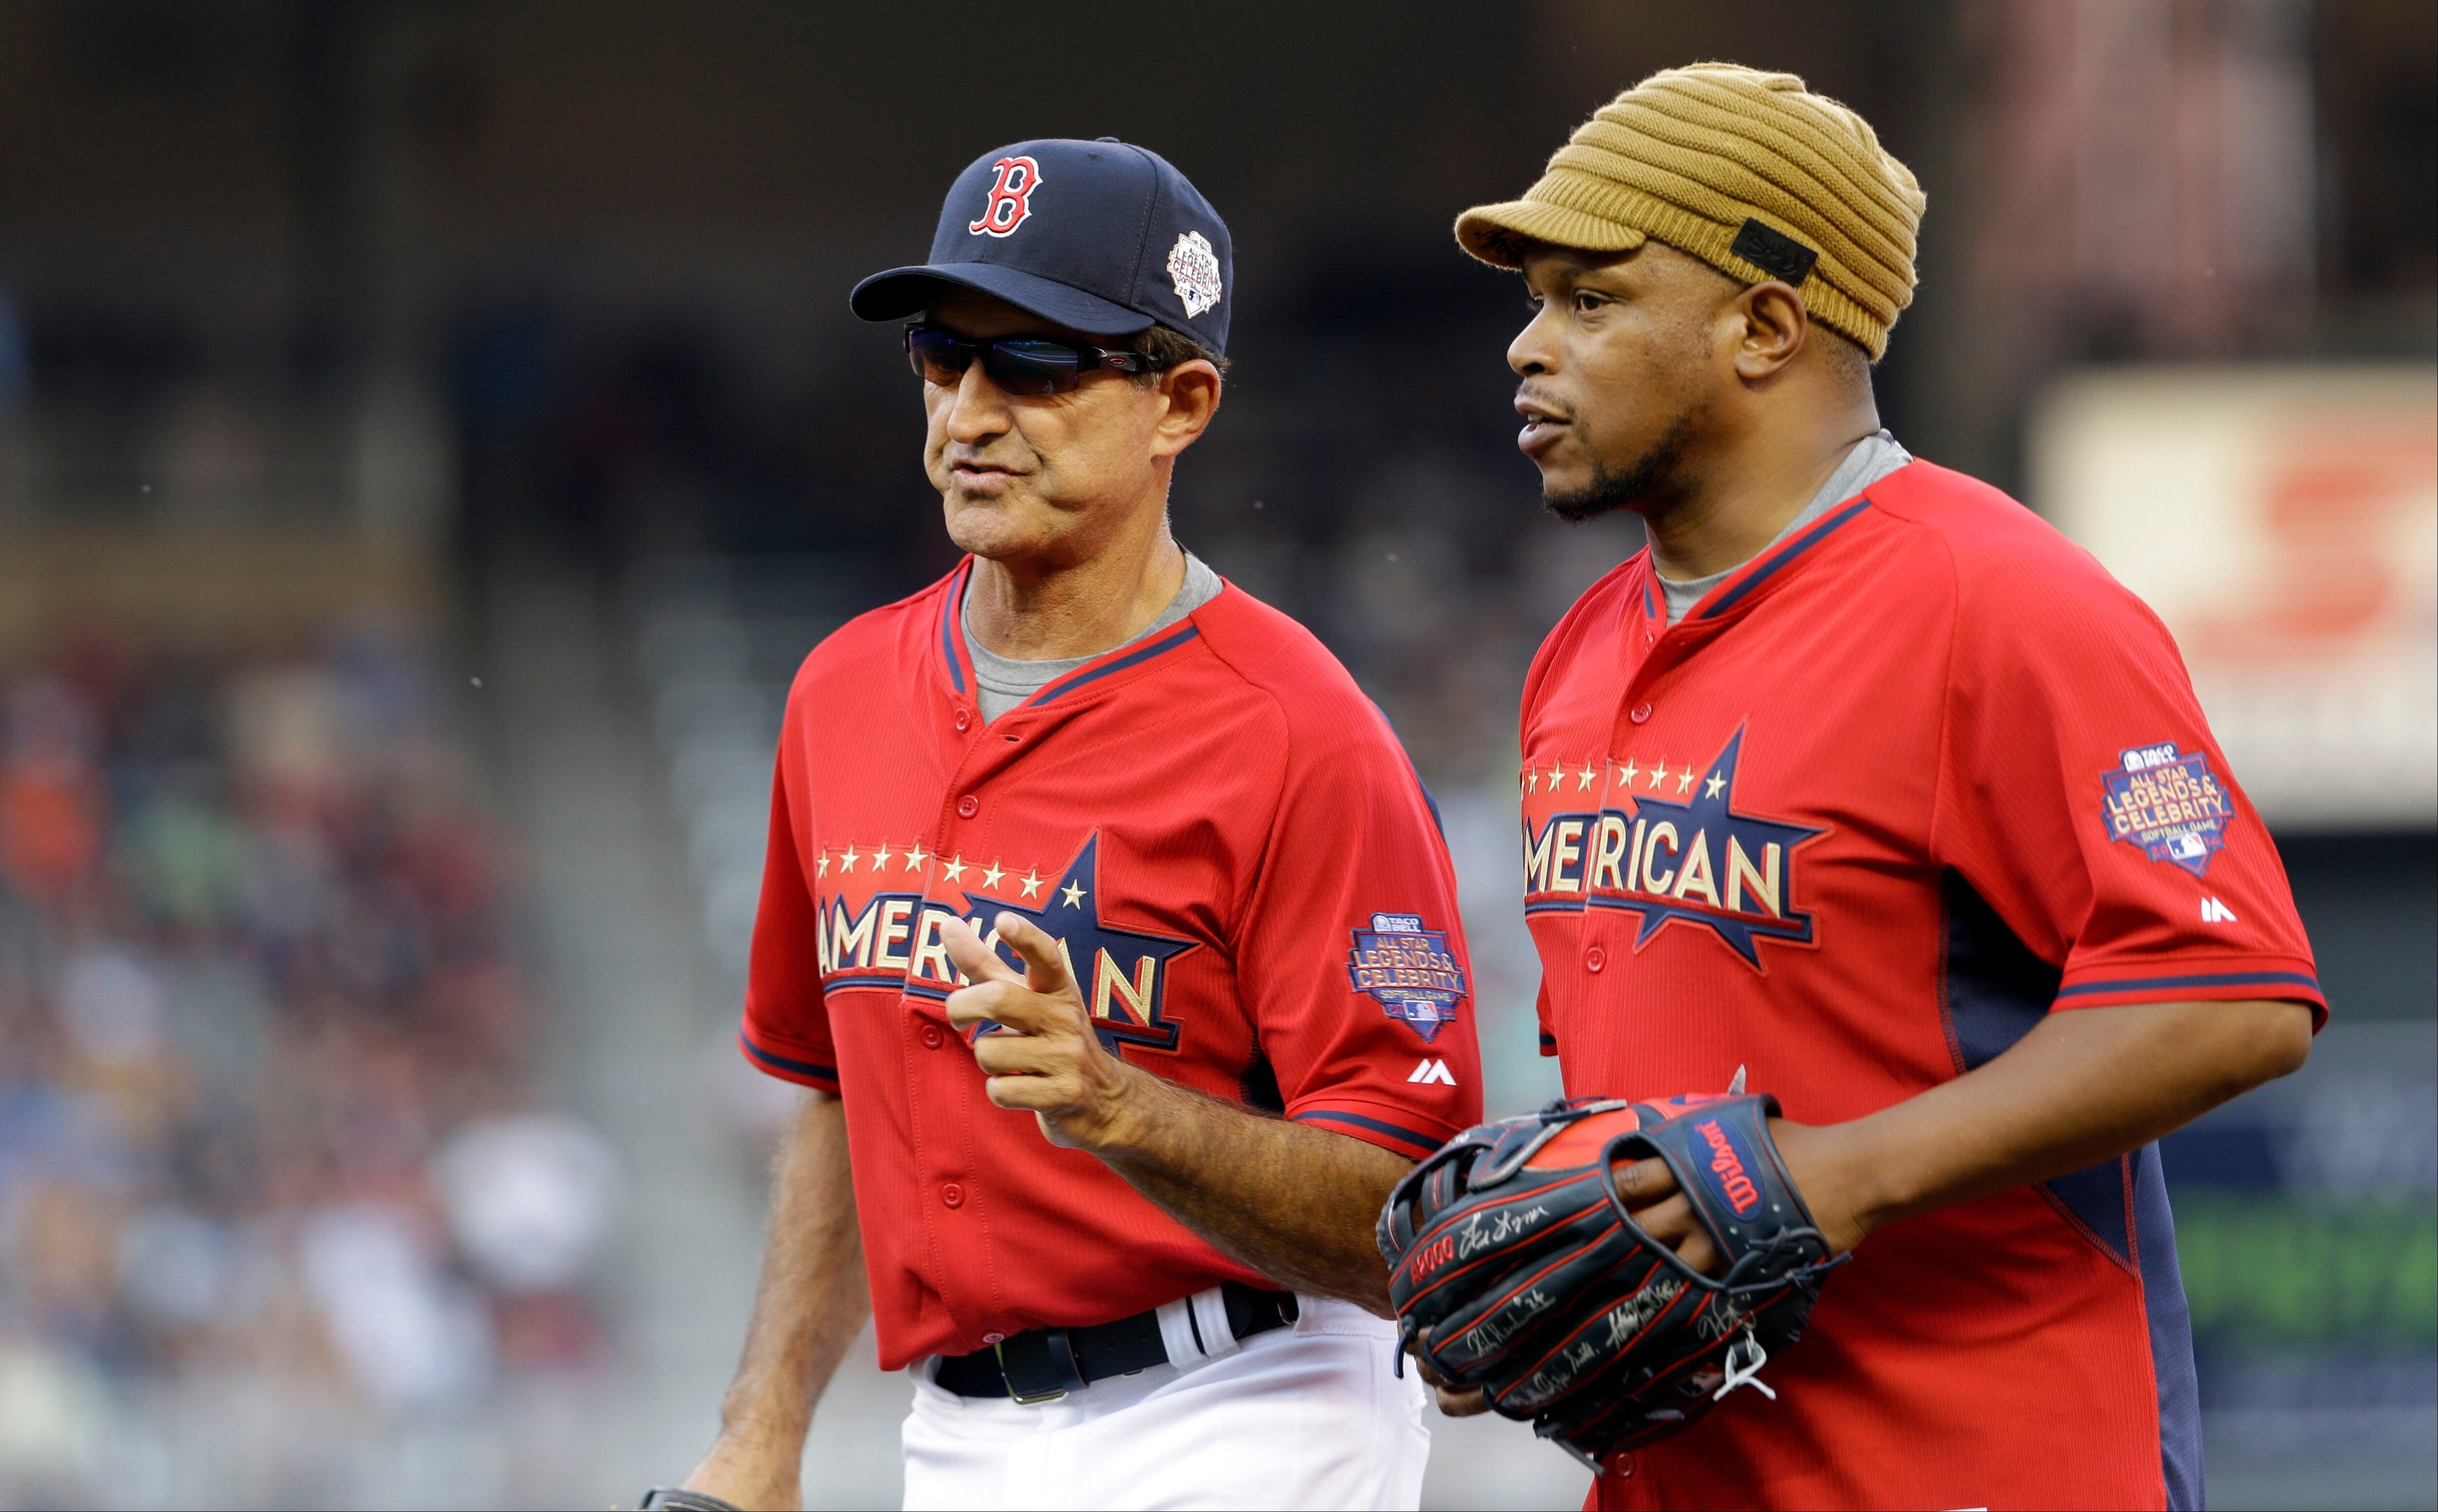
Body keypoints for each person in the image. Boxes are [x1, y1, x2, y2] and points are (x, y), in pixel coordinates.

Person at [1436, 64, 2321, 1510]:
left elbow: (2229, 998)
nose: (1531, 349)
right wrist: (1551, 1260)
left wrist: (1829, 1175)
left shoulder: (2002, 602)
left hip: (1983, 1460)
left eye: (1589, 299)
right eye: (1534, 302)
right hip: (1687, 1473)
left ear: (1765, 325)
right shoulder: (1575, 658)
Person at [669, 138, 1479, 1512]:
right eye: (943, 356)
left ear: (1182, 402)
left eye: (1038, 364)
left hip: (1249, 1400)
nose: (971, 412)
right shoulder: (842, 693)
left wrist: (1126, 1113)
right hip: (960, 1431)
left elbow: (1417, 1220)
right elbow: (831, 1097)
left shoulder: (1299, 732)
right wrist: (762, 1435)